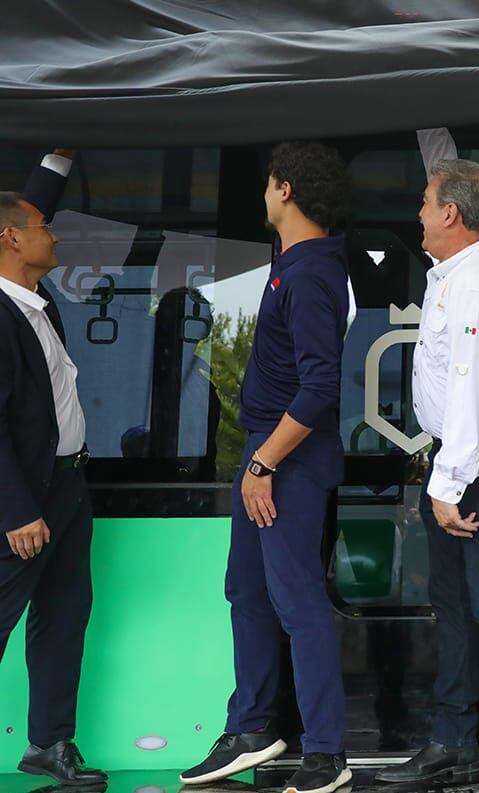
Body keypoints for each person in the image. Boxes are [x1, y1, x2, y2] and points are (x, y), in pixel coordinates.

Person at [373, 128, 479, 793]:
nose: (417, 213)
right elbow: (451, 176)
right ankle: (453, 742)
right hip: (466, 456)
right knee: (454, 602)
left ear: (450, 215)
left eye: (425, 202)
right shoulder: (473, 260)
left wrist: (447, 484)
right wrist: (427, 121)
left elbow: (472, 392)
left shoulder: (473, 284)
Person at [181, 142, 352, 793]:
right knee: (247, 592)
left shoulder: (310, 273)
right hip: (268, 453)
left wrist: (263, 463)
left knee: (297, 599)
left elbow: (319, 387)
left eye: (268, 182)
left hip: (286, 462)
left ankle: (326, 752)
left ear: (286, 190)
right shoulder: (294, 262)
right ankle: (251, 727)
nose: (263, 193)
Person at [0, 151, 108, 788]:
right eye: (44, 228)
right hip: (24, 499)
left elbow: (31, 207)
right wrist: (16, 511)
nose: (57, 237)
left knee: (64, 615)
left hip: (67, 485)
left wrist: (62, 153)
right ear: (11, 239)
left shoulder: (35, 302)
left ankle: (49, 743)